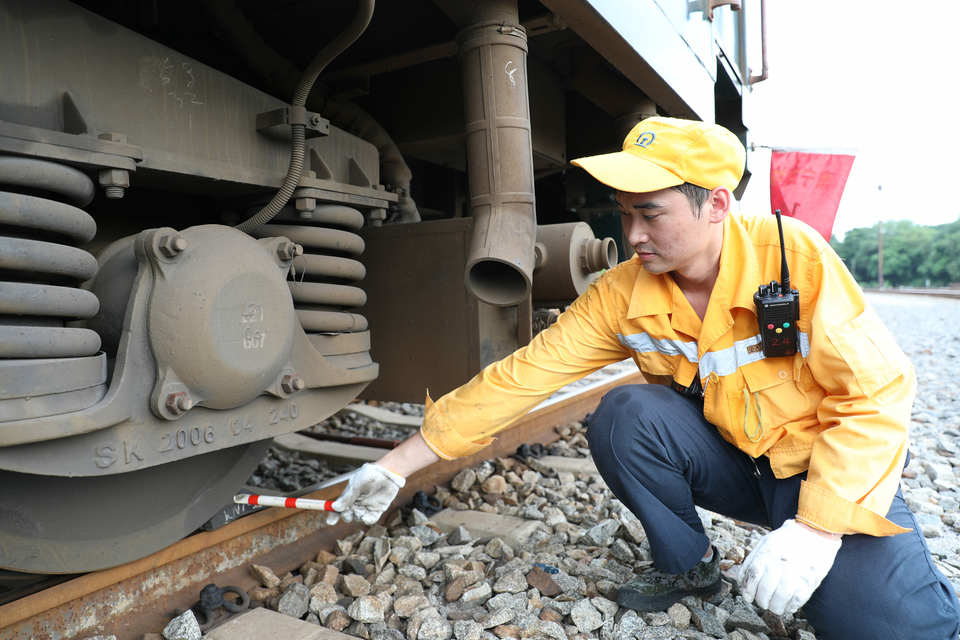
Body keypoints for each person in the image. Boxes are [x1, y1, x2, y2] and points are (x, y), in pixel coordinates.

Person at [328, 117, 960, 639]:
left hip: (819, 466)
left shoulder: (792, 256)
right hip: (737, 460)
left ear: (715, 204)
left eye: (651, 214)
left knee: (890, 629)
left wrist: (818, 529)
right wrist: (396, 465)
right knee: (625, 414)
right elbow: (522, 378)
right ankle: (690, 567)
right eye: (624, 213)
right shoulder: (622, 294)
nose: (631, 236)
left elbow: (876, 392)